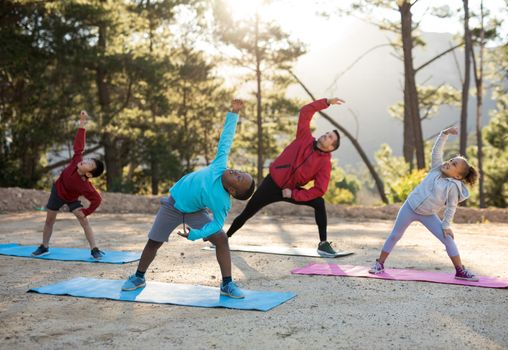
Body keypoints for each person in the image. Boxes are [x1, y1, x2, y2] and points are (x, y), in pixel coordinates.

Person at [122, 99, 255, 298]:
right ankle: (138, 277)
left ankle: (227, 284)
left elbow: (217, 223)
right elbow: (226, 139)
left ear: (233, 191)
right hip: (172, 206)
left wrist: (196, 234)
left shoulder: (223, 202)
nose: (236, 171)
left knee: (221, 239)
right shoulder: (220, 165)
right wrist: (234, 113)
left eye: (239, 177)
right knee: (153, 242)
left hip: (195, 213)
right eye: (240, 172)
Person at [226, 98, 345, 257]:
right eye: (327, 133)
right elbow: (305, 111)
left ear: (331, 148)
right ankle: (224, 238)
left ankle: (323, 244)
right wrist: (327, 102)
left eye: (330, 138)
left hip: (290, 190)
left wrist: (295, 194)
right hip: (272, 183)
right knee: (248, 212)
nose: (326, 136)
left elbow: (319, 189)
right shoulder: (305, 137)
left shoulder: (325, 163)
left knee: (319, 202)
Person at [368, 126, 479, 281]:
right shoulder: (436, 169)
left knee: (448, 239)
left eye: (454, 165)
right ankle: (379, 264)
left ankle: (460, 271)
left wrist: (446, 225)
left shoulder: (453, 187)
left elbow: (451, 207)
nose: (449, 162)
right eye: (451, 160)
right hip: (409, 207)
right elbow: (437, 151)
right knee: (395, 235)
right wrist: (444, 134)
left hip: (428, 214)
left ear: (458, 177)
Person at [31, 111, 105, 260]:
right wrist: (82, 123)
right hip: (57, 191)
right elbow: (79, 145)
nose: (85, 161)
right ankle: (44, 247)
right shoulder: (76, 159)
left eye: (89, 164)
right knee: (49, 220)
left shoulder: (86, 186)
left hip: (72, 198)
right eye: (88, 160)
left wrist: (86, 211)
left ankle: (94, 249)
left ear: (89, 174)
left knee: (84, 221)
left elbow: (97, 199)